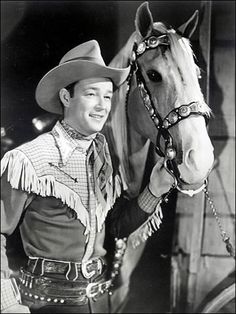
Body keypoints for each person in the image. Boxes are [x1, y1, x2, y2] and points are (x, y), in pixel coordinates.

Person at [1, 40, 174, 313]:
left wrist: (154, 189)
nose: (102, 106)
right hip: (45, 306)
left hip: (96, 301)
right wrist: (6, 303)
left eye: (107, 96)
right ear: (66, 97)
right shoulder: (27, 160)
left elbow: (116, 227)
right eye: (91, 94)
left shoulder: (103, 160)